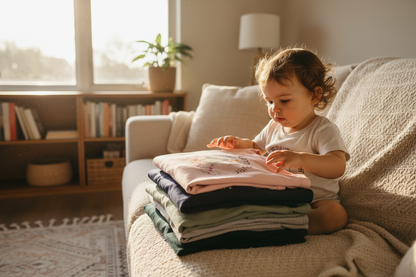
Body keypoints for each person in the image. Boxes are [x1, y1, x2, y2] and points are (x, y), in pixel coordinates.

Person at [207, 47, 350, 235]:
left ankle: (287, 226)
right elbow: (255, 148)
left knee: (335, 215)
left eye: (284, 101)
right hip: (280, 197)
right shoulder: (273, 127)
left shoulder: (322, 129)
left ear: (314, 95)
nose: (275, 109)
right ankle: (272, 221)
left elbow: (337, 166)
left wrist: (300, 159)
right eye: (269, 101)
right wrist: (237, 144)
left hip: (316, 200)